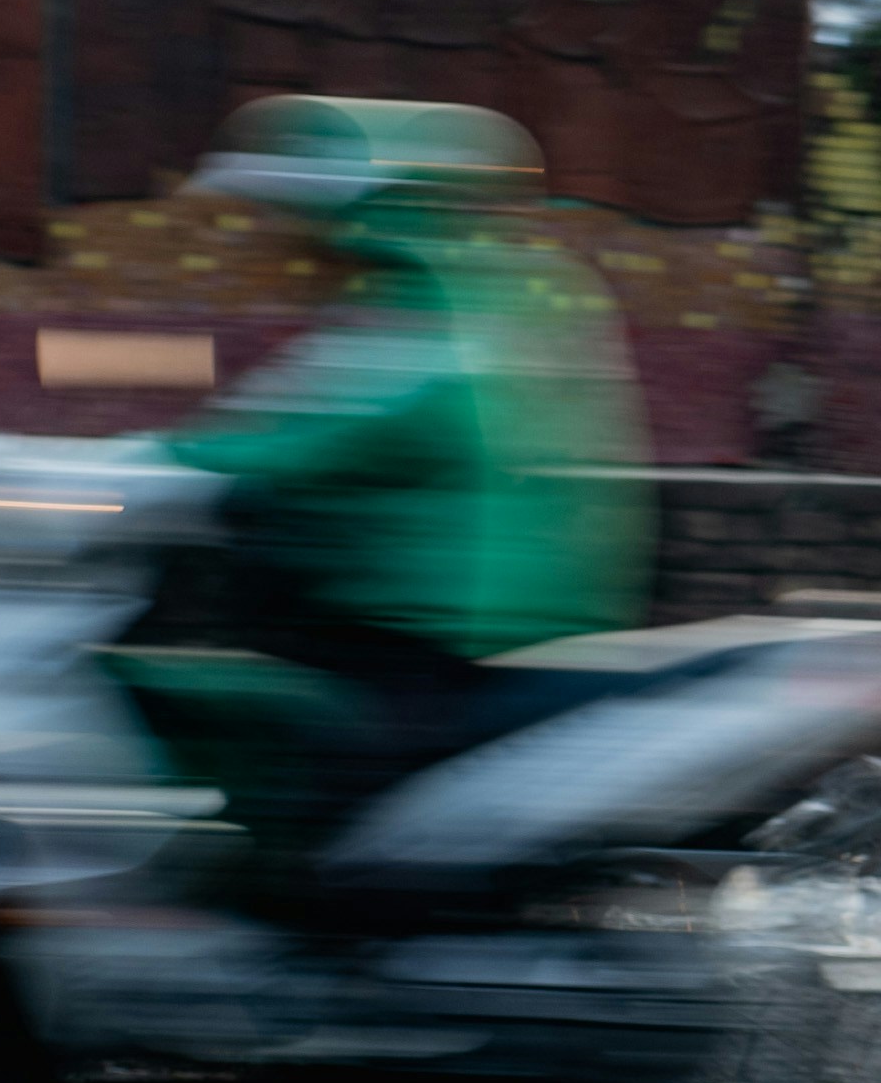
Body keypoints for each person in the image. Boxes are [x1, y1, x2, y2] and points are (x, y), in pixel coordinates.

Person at [157, 94, 645, 832]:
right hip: (414, 611)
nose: (282, 240)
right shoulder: (438, 295)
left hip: (436, 625)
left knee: (315, 799)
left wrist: (162, 466)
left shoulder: (444, 311)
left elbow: (336, 421)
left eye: (294, 218)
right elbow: (297, 410)